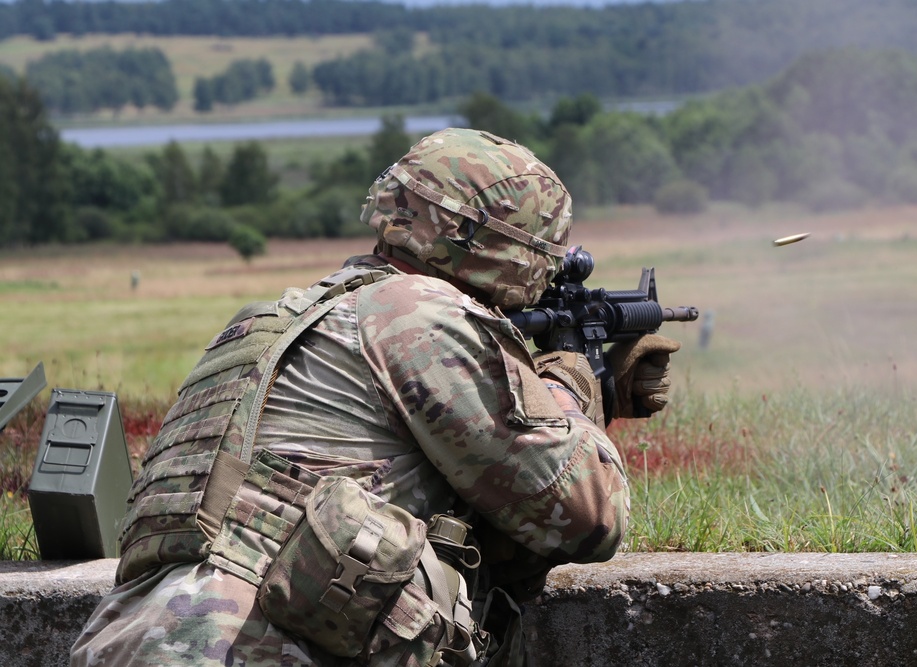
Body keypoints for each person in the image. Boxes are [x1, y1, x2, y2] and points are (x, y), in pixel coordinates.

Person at [70, 128, 680, 667]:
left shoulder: (271, 321)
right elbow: (588, 515)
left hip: (128, 636)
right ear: (495, 247)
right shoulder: (417, 314)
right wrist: (570, 387)